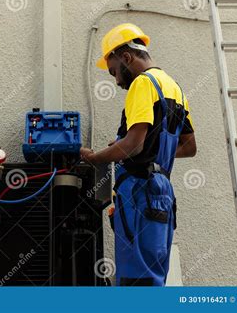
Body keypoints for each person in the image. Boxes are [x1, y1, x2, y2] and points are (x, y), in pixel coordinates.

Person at [80, 23, 197, 286]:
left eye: (113, 72)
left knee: (135, 279)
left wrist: (96, 157)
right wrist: (141, 148)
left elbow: (134, 145)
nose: (117, 80)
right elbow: (189, 146)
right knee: (153, 276)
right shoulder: (173, 87)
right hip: (162, 192)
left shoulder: (142, 84)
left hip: (138, 192)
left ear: (126, 57)